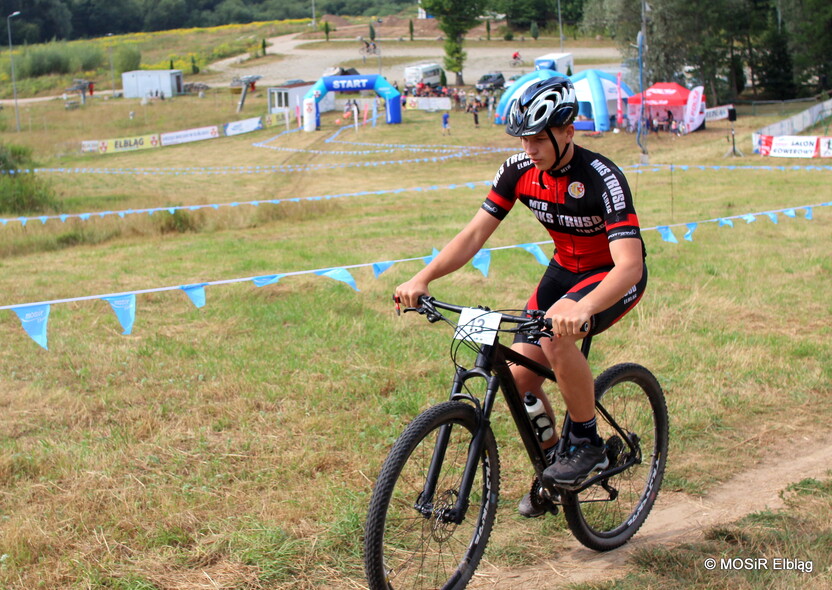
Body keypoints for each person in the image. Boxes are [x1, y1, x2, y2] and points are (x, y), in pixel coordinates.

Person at [395, 77, 647, 518]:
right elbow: (475, 233)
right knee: (521, 379)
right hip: (562, 272)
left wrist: (584, 307)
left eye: (538, 139)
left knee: (556, 337)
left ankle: (587, 441)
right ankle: (555, 467)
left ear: (568, 131)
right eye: (523, 139)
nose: (529, 149)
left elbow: (630, 264)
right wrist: (423, 277)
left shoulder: (601, 177)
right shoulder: (517, 171)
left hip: (609, 275)